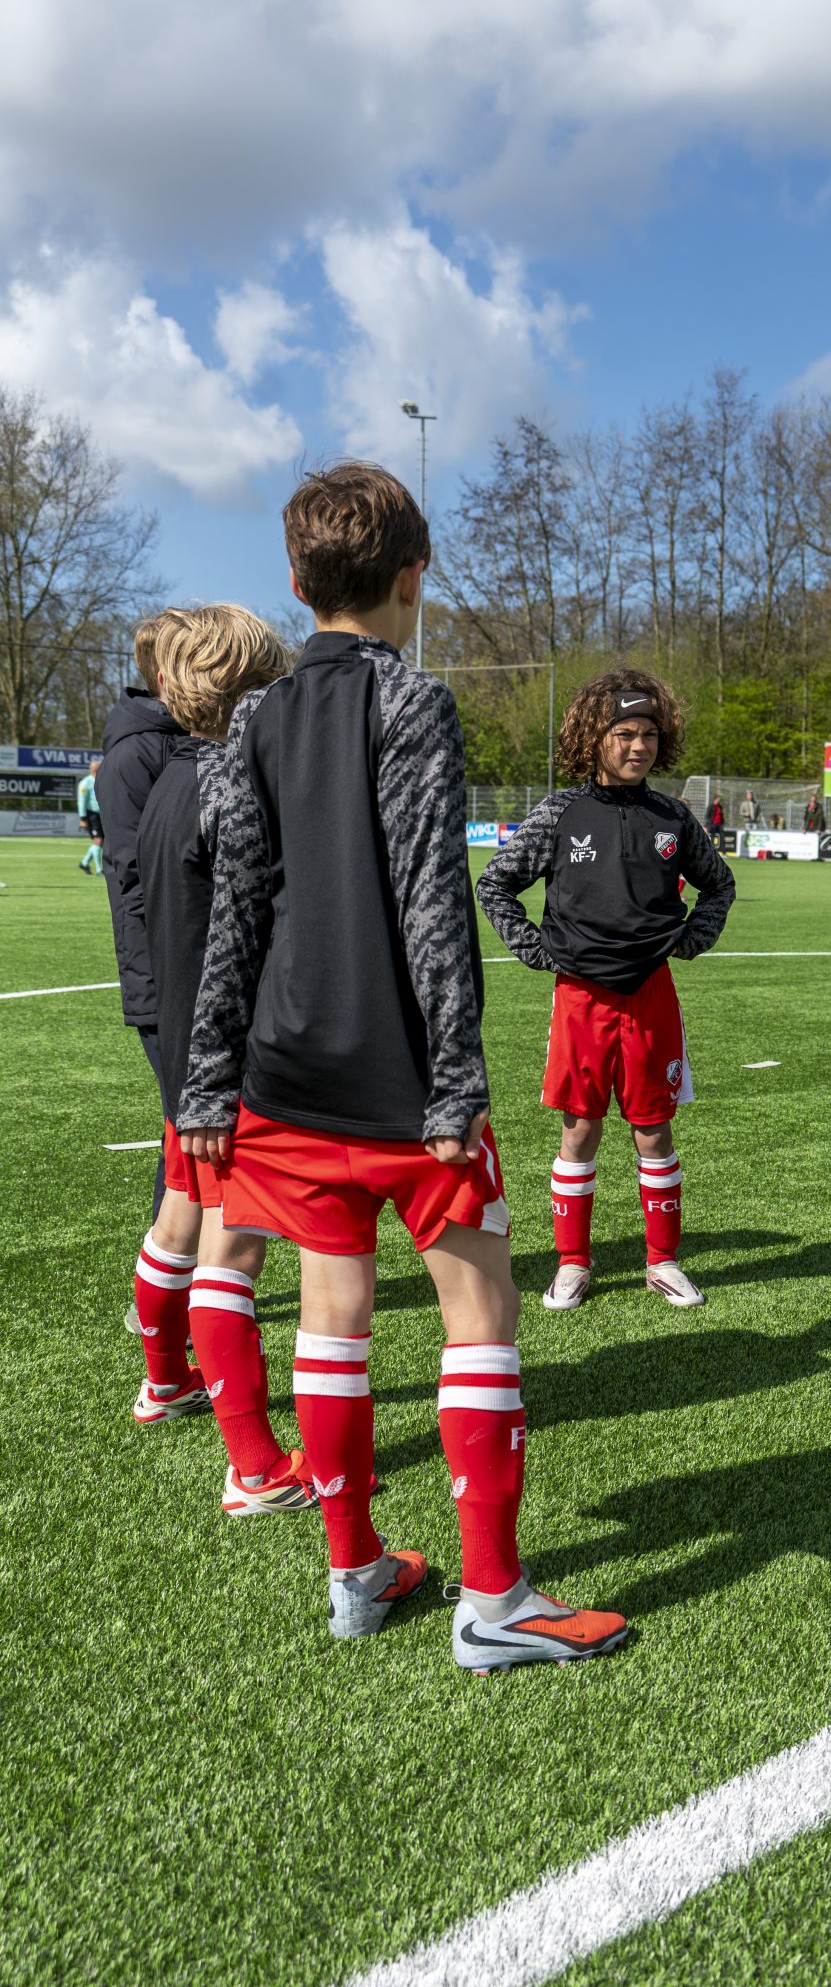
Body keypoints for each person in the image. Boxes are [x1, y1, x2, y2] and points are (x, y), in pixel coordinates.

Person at [178, 461, 626, 1666]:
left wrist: (210, 1077)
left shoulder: (254, 718)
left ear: (293, 582)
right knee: (479, 1306)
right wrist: (456, 1083)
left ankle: (359, 1572)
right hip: (399, 1078)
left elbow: (237, 912)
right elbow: (435, 898)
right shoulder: (413, 702)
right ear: (414, 576)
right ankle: (494, 1601)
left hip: (280, 1075)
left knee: (334, 1318)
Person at [130, 604, 317, 1519]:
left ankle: (165, 1380)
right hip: (228, 1061)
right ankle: (252, 1464)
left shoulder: (170, 777)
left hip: (178, 1048)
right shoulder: (238, 786)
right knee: (229, 1250)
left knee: (181, 1223)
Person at [477, 668, 735, 1313]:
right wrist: (535, 949)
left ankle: (663, 1261)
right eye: (623, 733)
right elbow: (495, 884)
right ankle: (571, 1263)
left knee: (653, 1132)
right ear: (594, 739)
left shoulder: (672, 815)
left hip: (650, 995)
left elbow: (719, 885)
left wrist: (691, 937)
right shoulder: (561, 812)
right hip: (580, 1000)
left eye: (648, 734)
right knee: (580, 1129)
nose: (637, 746)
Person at [100, 616, 192, 1224]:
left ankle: (189, 1285)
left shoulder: (183, 739)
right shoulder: (136, 752)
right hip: (165, 978)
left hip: (194, 969)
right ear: (166, 675)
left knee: (197, 1126)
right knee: (190, 1129)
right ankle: (166, 1290)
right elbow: (137, 878)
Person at [76, 758, 104, 874]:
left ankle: (84, 863)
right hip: (92, 815)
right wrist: (83, 818)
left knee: (100, 842)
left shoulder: (103, 780)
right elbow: (81, 802)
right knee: (98, 840)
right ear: (92, 768)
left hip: (102, 814)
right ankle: (99, 870)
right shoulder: (85, 783)